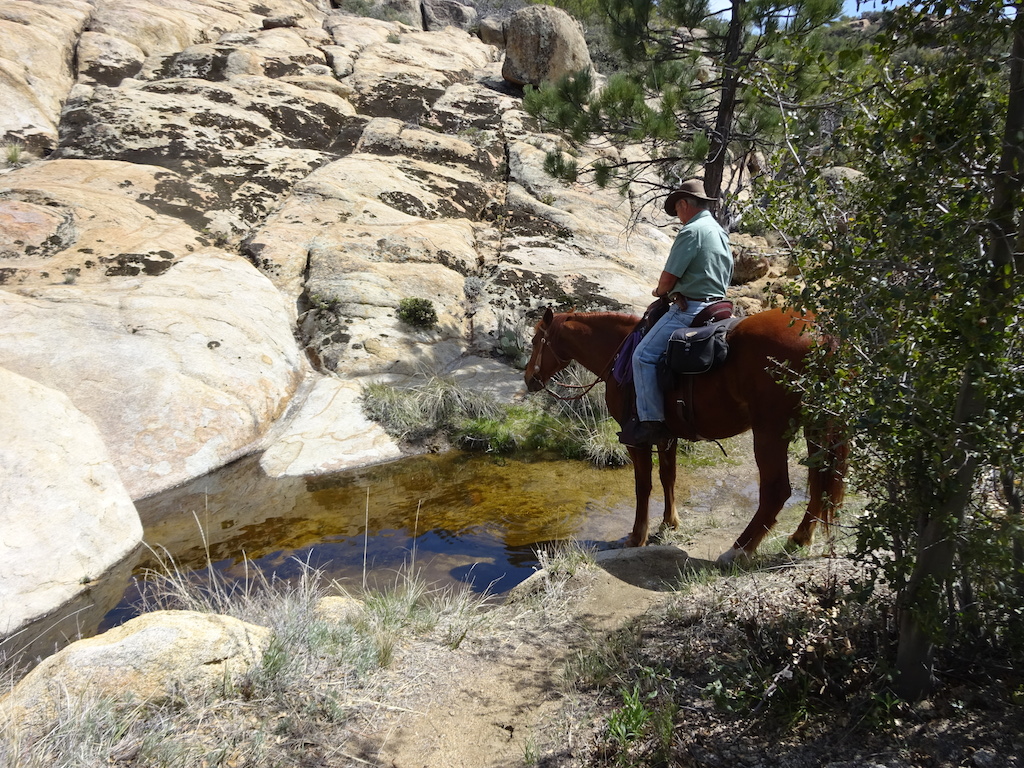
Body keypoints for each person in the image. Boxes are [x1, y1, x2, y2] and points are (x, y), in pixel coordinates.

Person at [626, 179, 734, 445]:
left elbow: (668, 277)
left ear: (684, 204)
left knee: (643, 356)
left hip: (693, 308)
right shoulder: (719, 231)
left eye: (677, 210)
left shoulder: (692, 231)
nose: (678, 216)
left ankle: (652, 423)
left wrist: (661, 291)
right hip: (719, 306)